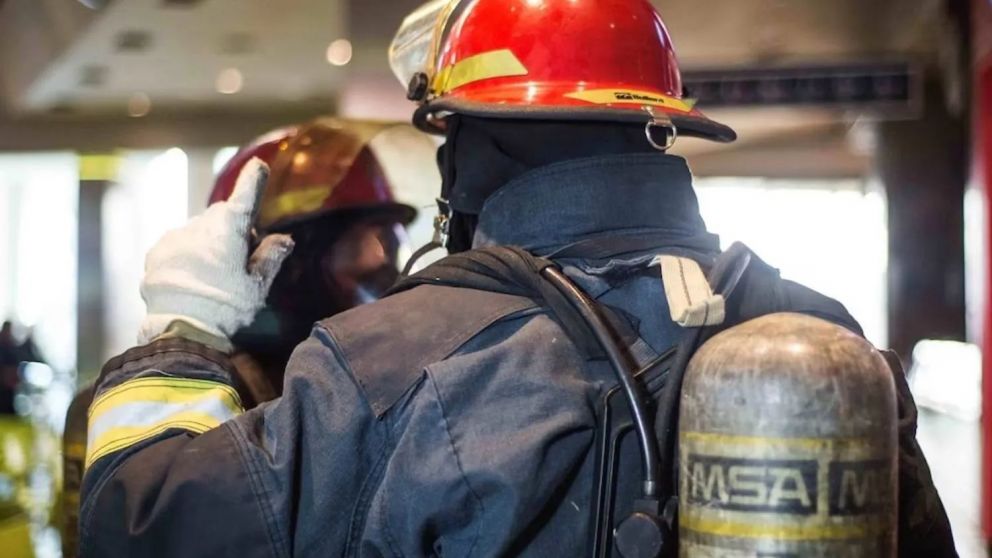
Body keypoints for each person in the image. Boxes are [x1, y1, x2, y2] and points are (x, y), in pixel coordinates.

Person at [79, 1, 955, 556]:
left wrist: (185, 332)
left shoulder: (383, 364)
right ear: (654, 129)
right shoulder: (823, 342)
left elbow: (138, 528)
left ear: (465, 145)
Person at [62, 119, 421, 557]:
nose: (388, 264)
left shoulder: (356, 395)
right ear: (286, 262)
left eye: (394, 238)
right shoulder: (129, 411)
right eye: (375, 238)